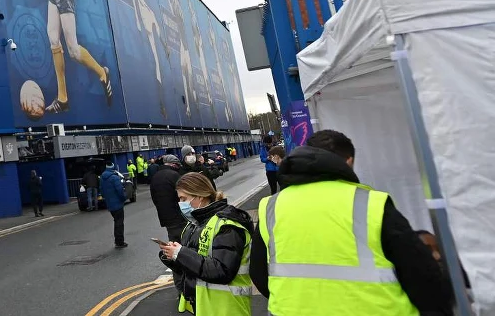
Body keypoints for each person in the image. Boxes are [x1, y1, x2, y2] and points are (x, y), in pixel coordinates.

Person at [249, 129, 451, 315]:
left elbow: (258, 273)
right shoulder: (369, 203)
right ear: (349, 161)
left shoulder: (271, 207)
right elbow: (422, 275)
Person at [158, 172, 254, 315]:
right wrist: (173, 257)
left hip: (227, 308)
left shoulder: (227, 226)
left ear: (200, 196)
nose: (181, 204)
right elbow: (194, 267)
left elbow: (222, 271)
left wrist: (181, 254)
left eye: (184, 198)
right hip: (203, 306)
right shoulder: (193, 225)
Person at [126, 0, 167, 118]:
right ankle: (160, 100)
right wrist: (136, 18)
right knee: (155, 58)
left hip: (144, 5)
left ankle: (164, 45)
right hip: (141, 7)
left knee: (156, 24)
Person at [150, 154, 186, 243]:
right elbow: (184, 194)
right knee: (184, 239)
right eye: (178, 166)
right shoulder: (174, 175)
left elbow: (154, 197)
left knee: (173, 239)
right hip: (179, 215)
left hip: (165, 217)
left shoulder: (155, 176)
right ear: (173, 164)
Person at [99, 160, 127, 248]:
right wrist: (123, 198)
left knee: (116, 221)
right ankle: (119, 242)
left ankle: (118, 241)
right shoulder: (115, 177)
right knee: (119, 223)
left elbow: (102, 191)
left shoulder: (102, 178)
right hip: (118, 203)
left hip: (110, 204)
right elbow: (120, 191)